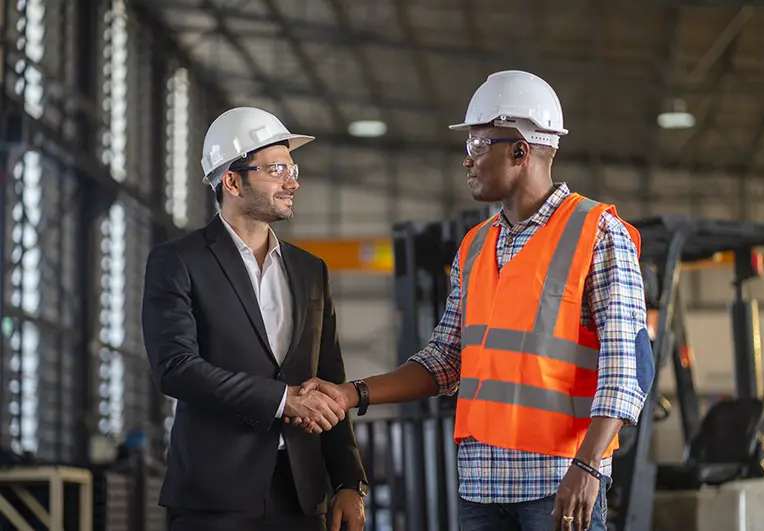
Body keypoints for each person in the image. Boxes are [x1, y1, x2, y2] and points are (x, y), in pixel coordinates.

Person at [293, 70, 655, 531]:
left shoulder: (599, 233)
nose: (467, 161)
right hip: (481, 488)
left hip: (558, 483)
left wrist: (586, 468)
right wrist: (350, 394)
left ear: (520, 150)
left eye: (477, 145)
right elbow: (446, 360)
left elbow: (627, 367)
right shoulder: (475, 245)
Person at [142, 107, 368, 531]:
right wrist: (283, 400)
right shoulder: (178, 262)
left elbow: (329, 378)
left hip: (302, 496)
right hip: (214, 497)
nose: (293, 181)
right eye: (277, 169)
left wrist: (349, 481)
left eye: (292, 167)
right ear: (231, 180)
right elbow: (176, 369)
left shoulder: (310, 270)